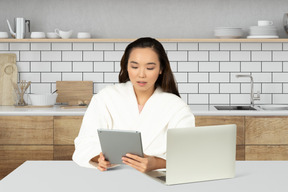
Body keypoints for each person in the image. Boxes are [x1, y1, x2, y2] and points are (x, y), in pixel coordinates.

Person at [72, 37, 195, 173]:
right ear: (126, 67)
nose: (141, 74)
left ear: (161, 69)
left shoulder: (177, 107)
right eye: (134, 67)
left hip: (156, 179)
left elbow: (187, 155)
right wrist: (99, 158)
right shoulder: (106, 98)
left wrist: (154, 163)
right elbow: (84, 143)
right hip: (112, 178)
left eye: (150, 68)